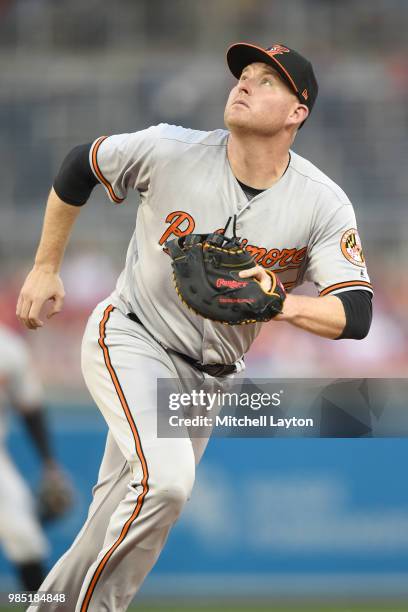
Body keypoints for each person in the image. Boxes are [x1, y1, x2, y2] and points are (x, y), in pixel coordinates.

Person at [16, 42, 373, 611]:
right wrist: (44, 266)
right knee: (167, 483)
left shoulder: (322, 204)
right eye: (244, 74)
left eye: (267, 80)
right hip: (133, 337)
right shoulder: (170, 148)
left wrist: (278, 303)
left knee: (114, 516)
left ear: (297, 112)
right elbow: (80, 164)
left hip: (209, 380)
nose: (246, 84)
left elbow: (355, 315)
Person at [0, 323, 67, 591]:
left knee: (26, 537)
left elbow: (30, 409)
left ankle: (39, 607)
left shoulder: (8, 348)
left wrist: (50, 465)